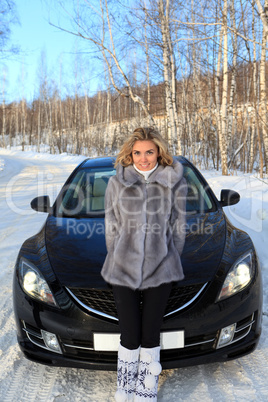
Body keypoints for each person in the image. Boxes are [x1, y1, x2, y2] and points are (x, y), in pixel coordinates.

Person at [101, 127, 187, 401]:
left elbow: (179, 228)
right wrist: (116, 257)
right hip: (122, 269)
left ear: (159, 152)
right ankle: (124, 388)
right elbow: (111, 226)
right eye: (137, 152)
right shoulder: (116, 184)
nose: (143, 158)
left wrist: (169, 257)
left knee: (150, 333)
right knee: (129, 334)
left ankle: (146, 390)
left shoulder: (175, 183)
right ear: (130, 154)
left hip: (161, 269)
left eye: (149, 152)